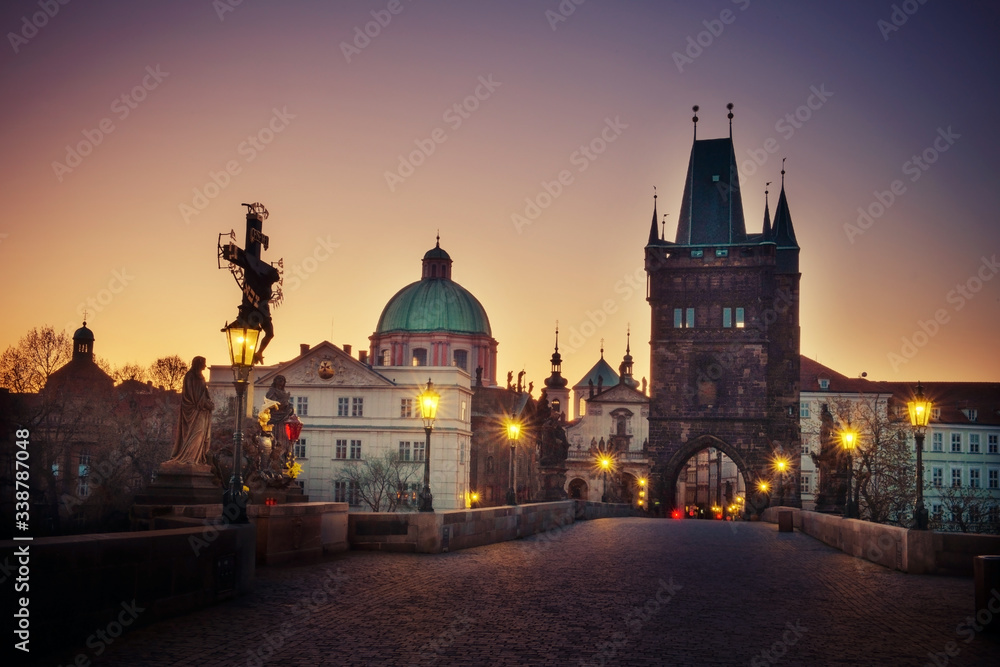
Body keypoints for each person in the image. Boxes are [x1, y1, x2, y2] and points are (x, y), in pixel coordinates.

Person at [166, 357, 214, 465]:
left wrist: (209, 402)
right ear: (198, 363)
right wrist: (206, 404)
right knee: (197, 433)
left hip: (201, 411)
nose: (205, 366)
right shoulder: (190, 376)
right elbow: (193, 396)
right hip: (193, 410)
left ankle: (196, 458)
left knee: (201, 434)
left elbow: (204, 393)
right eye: (204, 363)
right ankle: (189, 458)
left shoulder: (201, 377)